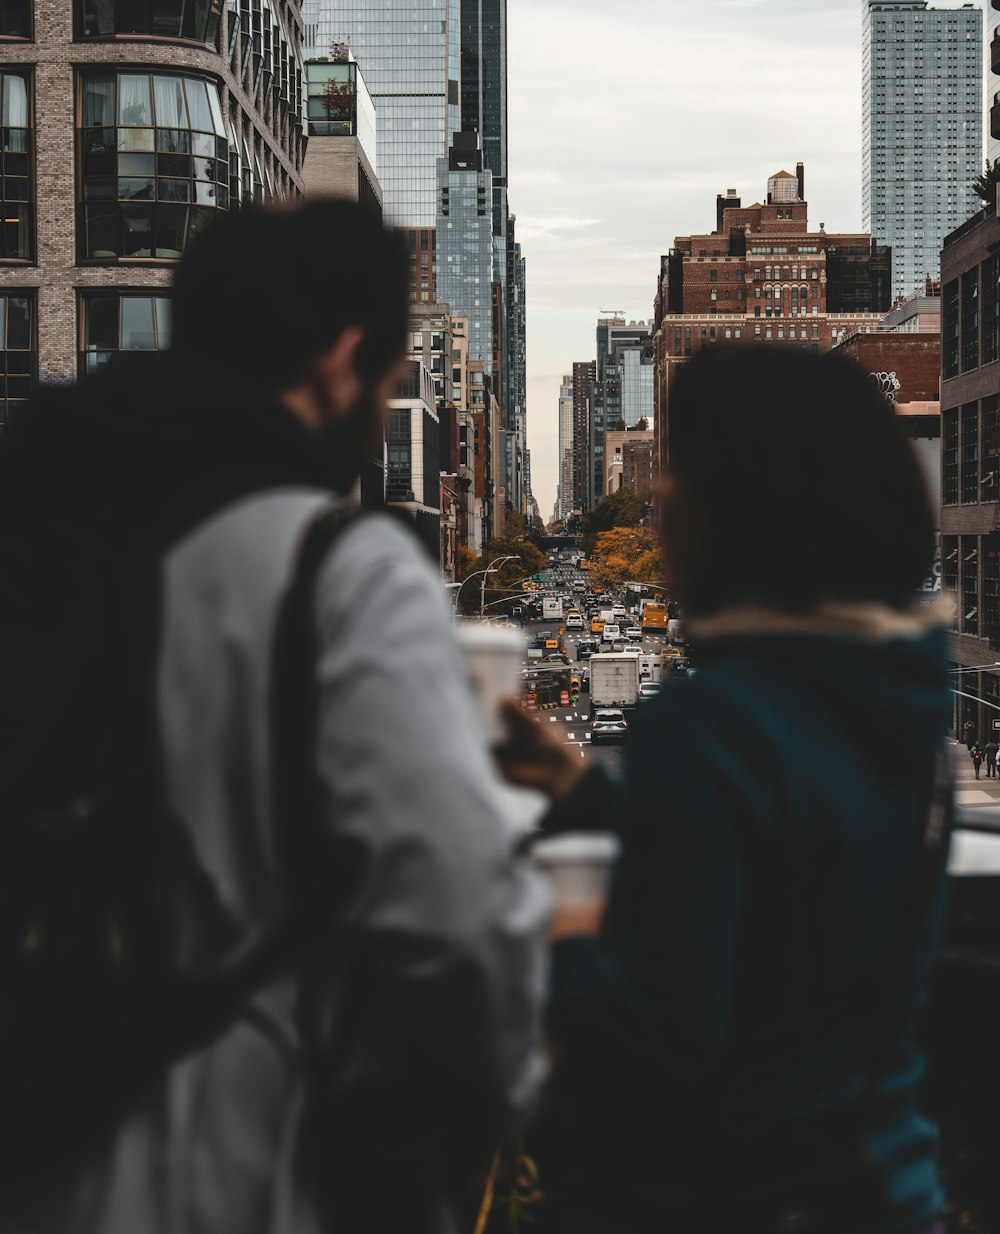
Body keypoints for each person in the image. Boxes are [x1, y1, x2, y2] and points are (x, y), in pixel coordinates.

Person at [0, 201, 547, 1234]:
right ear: (342, 361)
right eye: (389, 385)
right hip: (235, 1164)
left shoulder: (36, 520)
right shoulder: (334, 571)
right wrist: (509, 1082)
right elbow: (456, 908)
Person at [498, 345, 952, 1234]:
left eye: (679, 466)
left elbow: (654, 1052)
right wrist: (581, 791)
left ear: (740, 502)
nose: (658, 493)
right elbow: (793, 885)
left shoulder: (707, 728)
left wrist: (558, 931)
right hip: (888, 1193)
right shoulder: (896, 705)